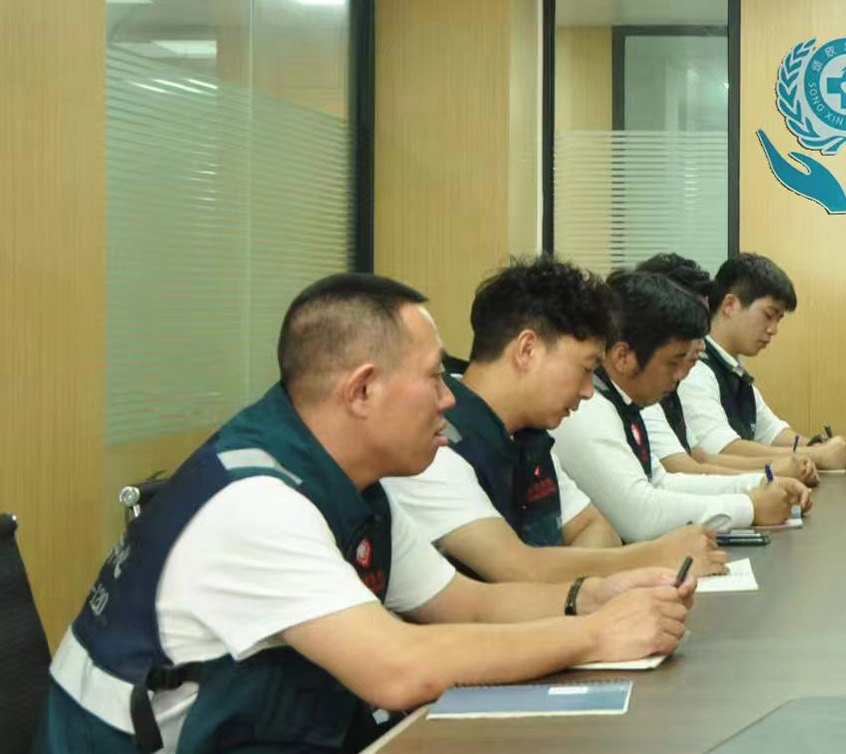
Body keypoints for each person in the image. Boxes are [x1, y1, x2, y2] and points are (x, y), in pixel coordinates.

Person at [36, 274, 692, 753]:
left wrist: (592, 596)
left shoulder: (355, 484)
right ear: (362, 390)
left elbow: (464, 604)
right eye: (432, 378)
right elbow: (398, 669)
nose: (448, 399)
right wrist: (596, 635)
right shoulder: (259, 504)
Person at [382, 259, 729, 583]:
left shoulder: (530, 436)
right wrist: (654, 556)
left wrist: (558, 572)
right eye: (585, 369)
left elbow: (599, 530)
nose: (588, 392)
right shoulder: (436, 442)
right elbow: (517, 569)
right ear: (527, 350)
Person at [551, 270, 810, 540]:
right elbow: (640, 516)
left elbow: (662, 482)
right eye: (673, 362)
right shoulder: (588, 409)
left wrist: (758, 483)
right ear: (623, 357)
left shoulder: (625, 401)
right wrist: (750, 507)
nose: (681, 375)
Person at [630, 254, 818, 485]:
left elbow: (700, 458)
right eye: (768, 316)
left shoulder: (725, 371)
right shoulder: (690, 374)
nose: (700, 344)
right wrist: (773, 474)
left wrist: (793, 461)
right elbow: (684, 470)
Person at [679, 253, 846, 469]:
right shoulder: (693, 368)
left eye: (778, 320)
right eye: (768, 315)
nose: (773, 330)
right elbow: (721, 449)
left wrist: (820, 446)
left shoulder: (734, 370)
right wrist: (817, 455)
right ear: (730, 305)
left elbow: (772, 432)